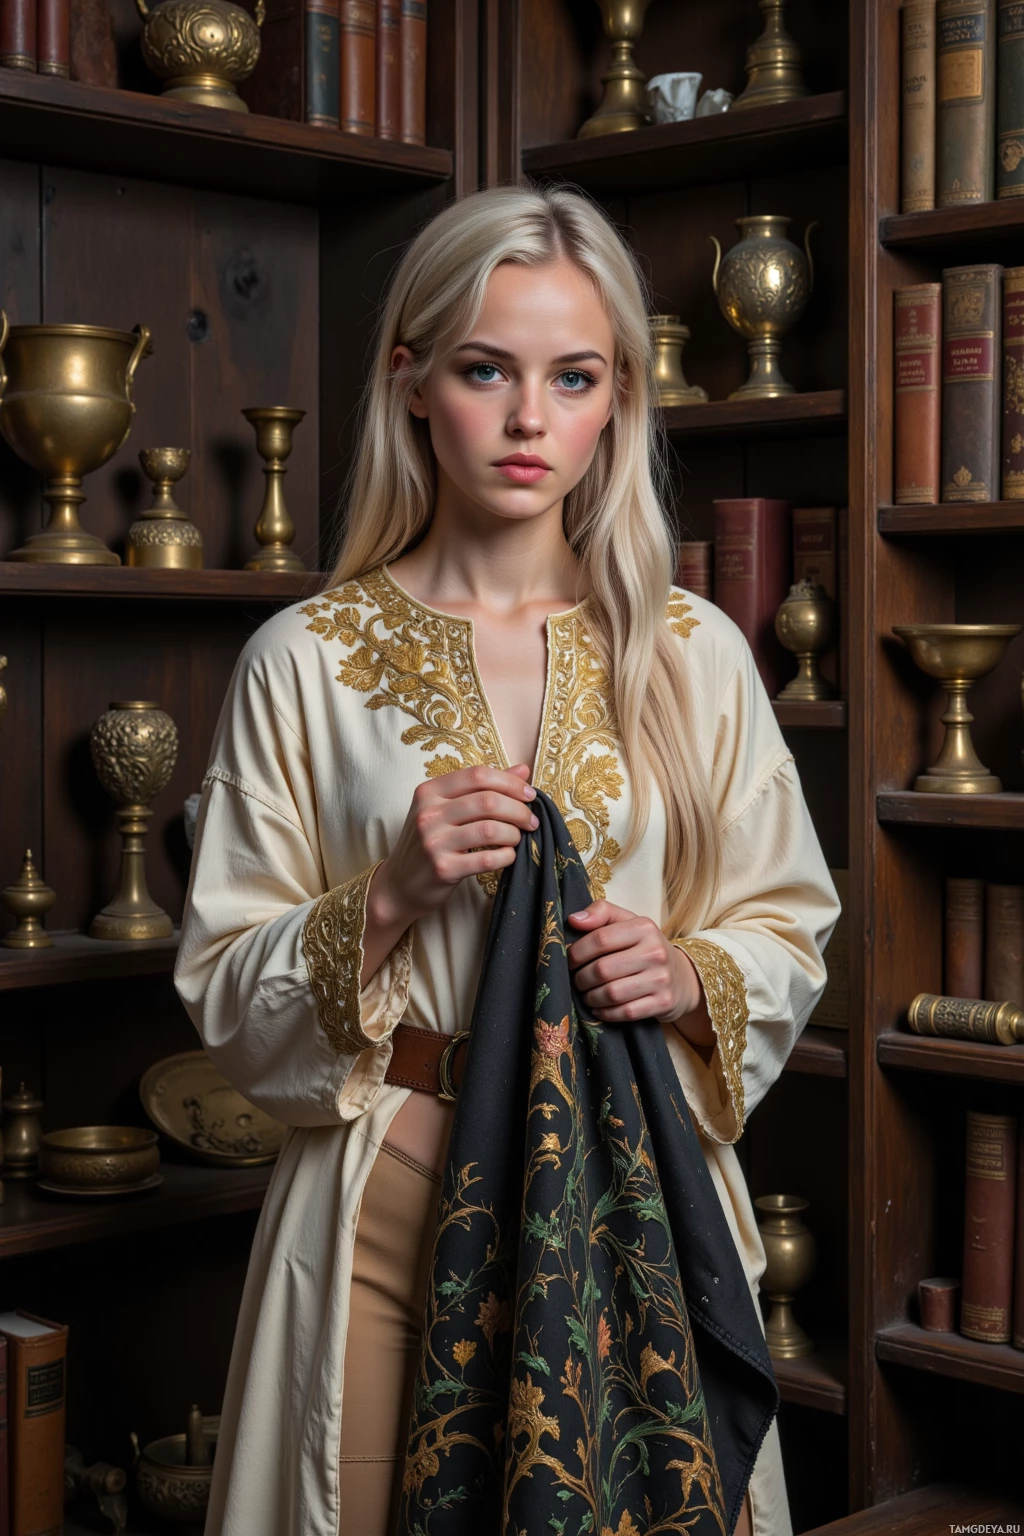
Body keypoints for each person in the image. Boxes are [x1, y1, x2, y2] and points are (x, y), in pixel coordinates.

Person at [175, 183, 840, 1536]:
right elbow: (227, 994)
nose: (531, 418)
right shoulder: (303, 662)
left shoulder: (694, 652)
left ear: (617, 401)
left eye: (573, 377)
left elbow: (788, 923)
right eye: (487, 370)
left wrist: (686, 974)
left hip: (634, 1180)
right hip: (386, 1206)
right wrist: (390, 893)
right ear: (412, 382)